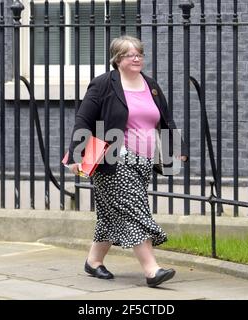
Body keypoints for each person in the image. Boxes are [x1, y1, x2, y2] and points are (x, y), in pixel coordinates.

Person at [66, 35, 188, 288]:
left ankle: (94, 261)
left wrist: (177, 148)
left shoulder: (150, 85)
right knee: (134, 210)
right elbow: (84, 120)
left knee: (114, 214)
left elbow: (166, 120)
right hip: (114, 159)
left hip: (144, 162)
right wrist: (76, 154)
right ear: (117, 59)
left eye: (139, 54)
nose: (136, 58)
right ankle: (152, 270)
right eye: (130, 54)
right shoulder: (103, 85)